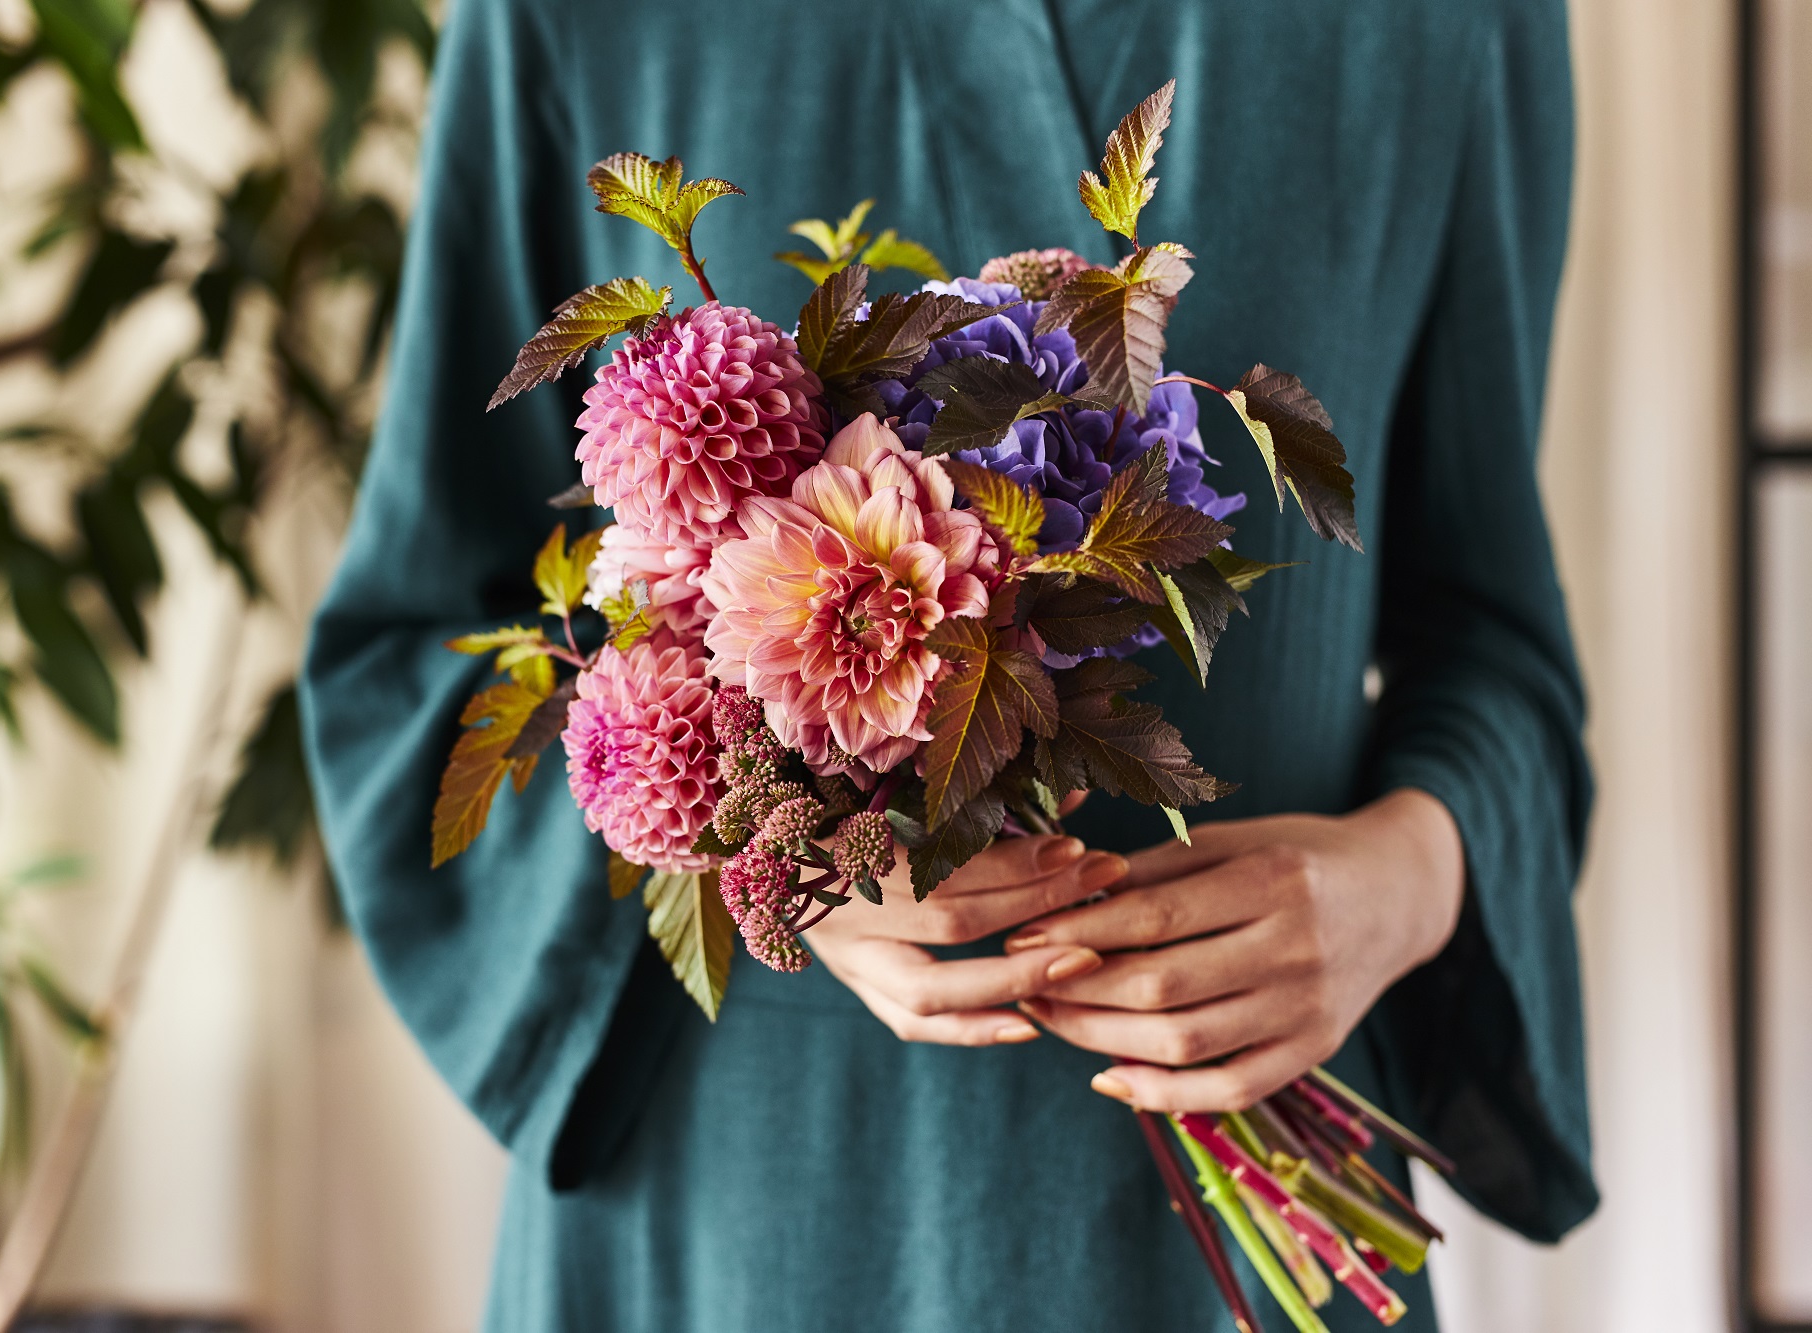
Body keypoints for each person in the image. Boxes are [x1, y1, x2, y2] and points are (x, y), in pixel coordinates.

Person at [301, 1, 1597, 1327]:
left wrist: (1400, 879)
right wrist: (776, 853)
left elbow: (1493, 649)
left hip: (1226, 1227)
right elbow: (409, 656)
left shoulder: (1449, 25)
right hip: (733, 1229)